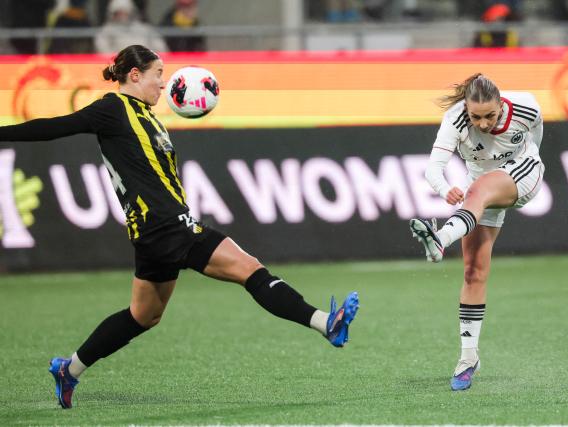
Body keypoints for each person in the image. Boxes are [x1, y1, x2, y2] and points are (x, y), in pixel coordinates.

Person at [0, 44, 359, 409]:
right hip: (165, 226)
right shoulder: (112, 108)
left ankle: (69, 369)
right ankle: (325, 322)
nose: (163, 82)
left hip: (156, 231)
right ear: (135, 75)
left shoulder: (148, 117)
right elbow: (54, 127)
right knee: (249, 269)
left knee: (144, 315)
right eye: (158, 73)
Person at [409, 74, 544, 391]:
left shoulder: (526, 106)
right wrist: (445, 190)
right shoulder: (455, 118)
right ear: (466, 109)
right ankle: (469, 358)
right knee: (473, 271)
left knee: (480, 188)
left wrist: (529, 161)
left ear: (501, 104)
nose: (482, 124)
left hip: (523, 172)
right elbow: (432, 169)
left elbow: (536, 137)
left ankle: (439, 239)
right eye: (476, 117)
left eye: (490, 116)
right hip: (479, 195)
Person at [94, 0, 168, 54]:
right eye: (118, 13)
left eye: (125, 12)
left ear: (131, 12)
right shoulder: (106, 31)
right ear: (112, 13)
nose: (122, 16)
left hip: (146, 66)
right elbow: (103, 51)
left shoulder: (144, 29)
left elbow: (161, 48)